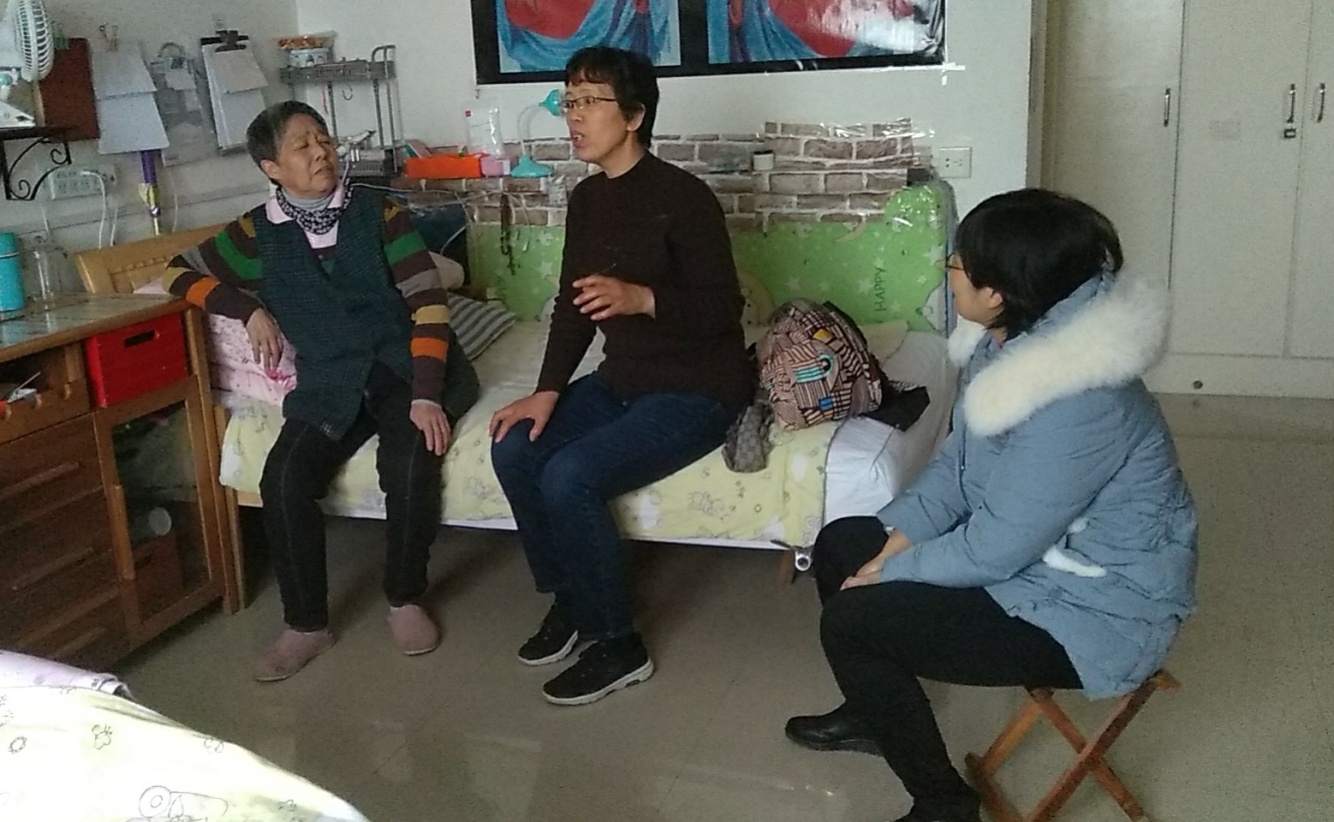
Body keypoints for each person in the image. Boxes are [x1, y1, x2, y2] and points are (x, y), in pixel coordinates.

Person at [783, 189, 1198, 822]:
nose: (947, 271)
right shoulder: (1005, 343)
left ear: (998, 291)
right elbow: (957, 468)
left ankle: (944, 807)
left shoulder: (1080, 399)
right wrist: (894, 544)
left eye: (956, 262)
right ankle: (874, 712)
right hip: (1034, 556)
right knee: (843, 541)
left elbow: (998, 547)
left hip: (1095, 606)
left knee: (853, 623)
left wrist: (891, 572)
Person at [164, 101, 479, 682]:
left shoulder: (379, 213)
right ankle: (306, 624)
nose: (322, 153)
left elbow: (430, 303)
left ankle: (405, 597)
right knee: (283, 478)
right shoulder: (254, 235)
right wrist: (246, 308)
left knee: (410, 461)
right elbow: (175, 271)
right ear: (271, 168)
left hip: (407, 366)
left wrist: (426, 393)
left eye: (324, 139)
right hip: (333, 377)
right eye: (303, 145)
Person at [489, 46, 754, 706]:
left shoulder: (685, 199)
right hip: (625, 379)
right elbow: (573, 305)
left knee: (570, 474)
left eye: (589, 102)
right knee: (515, 445)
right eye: (568, 101)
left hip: (698, 387)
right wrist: (546, 391)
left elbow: (724, 309)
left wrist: (643, 299)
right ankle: (573, 600)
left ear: (634, 115)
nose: (573, 116)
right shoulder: (586, 200)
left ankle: (618, 643)